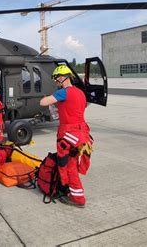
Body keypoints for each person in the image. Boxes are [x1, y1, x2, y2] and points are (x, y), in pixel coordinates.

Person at [39, 65, 92, 208]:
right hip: (82, 134)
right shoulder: (80, 93)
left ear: (62, 78)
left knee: (69, 167)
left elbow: (43, 103)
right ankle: (69, 189)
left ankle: (78, 198)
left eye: (56, 79)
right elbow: (80, 106)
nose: (56, 82)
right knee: (73, 163)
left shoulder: (63, 92)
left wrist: (48, 97)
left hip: (69, 134)